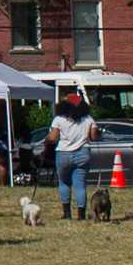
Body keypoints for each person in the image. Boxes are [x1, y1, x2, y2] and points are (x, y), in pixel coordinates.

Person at [50, 94, 96, 222]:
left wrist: (47, 139)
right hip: (83, 153)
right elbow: (93, 136)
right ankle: (81, 215)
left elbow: (53, 138)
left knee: (64, 183)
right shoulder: (88, 119)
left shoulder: (59, 119)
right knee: (80, 185)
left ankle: (67, 213)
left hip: (63, 153)